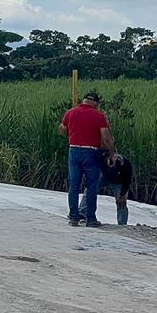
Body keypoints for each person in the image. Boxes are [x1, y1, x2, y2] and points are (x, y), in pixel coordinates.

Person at [58, 91, 115, 227]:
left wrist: (72, 133)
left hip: (74, 150)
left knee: (74, 185)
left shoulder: (70, 112)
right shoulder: (98, 115)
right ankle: (90, 219)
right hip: (91, 152)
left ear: (83, 101)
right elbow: (106, 137)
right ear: (95, 102)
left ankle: (73, 217)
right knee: (91, 186)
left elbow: (61, 130)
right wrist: (111, 153)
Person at [80, 151, 132, 225]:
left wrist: (122, 195)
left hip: (119, 181)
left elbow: (127, 182)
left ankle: (122, 222)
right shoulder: (103, 159)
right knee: (89, 189)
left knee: (121, 202)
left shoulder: (126, 165)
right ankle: (82, 212)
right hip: (104, 176)